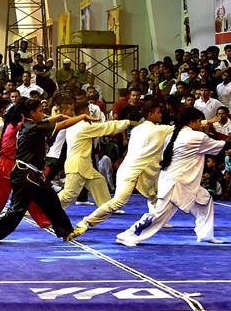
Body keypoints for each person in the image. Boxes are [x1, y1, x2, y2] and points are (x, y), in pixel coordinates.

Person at [116, 107, 231, 247]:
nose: (201, 125)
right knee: (159, 216)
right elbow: (224, 146)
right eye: (199, 122)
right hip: (177, 183)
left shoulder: (174, 135)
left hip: (181, 181)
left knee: (205, 201)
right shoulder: (196, 137)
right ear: (192, 122)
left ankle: (205, 235)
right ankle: (128, 236)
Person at [0, 99, 91, 245]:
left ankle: (67, 232)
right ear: (32, 113)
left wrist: (56, 117)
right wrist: (82, 117)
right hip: (26, 175)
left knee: (52, 202)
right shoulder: (33, 126)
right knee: (18, 210)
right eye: (40, 111)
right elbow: (61, 125)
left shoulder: (28, 124)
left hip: (31, 175)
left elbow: (47, 121)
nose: (43, 113)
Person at [68, 100, 173, 239]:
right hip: (127, 171)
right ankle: (85, 222)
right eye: (158, 113)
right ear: (150, 114)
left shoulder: (138, 129)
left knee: (154, 194)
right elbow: (180, 129)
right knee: (116, 201)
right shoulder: (157, 130)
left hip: (136, 169)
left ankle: (157, 219)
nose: (161, 115)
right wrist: (205, 122)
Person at [56, 102, 133, 210]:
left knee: (99, 181)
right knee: (70, 193)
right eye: (88, 110)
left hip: (82, 163)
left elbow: (102, 127)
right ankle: (48, 210)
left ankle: (107, 208)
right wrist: (127, 122)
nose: (90, 112)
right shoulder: (83, 126)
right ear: (83, 112)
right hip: (77, 165)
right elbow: (106, 128)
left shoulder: (74, 125)